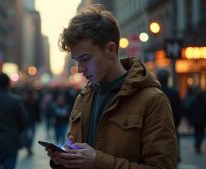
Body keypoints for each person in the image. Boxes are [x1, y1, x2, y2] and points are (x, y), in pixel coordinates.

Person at [46, 5, 178, 169]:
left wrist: (98, 162)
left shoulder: (153, 99)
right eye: (76, 60)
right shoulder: (83, 98)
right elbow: (79, 156)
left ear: (110, 49)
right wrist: (63, 160)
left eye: (85, 59)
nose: (80, 68)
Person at [157, 69, 183, 161]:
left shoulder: (153, 93)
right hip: (172, 125)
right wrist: (175, 124)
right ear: (168, 78)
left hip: (157, 126)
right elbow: (179, 111)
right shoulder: (174, 93)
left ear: (158, 77)